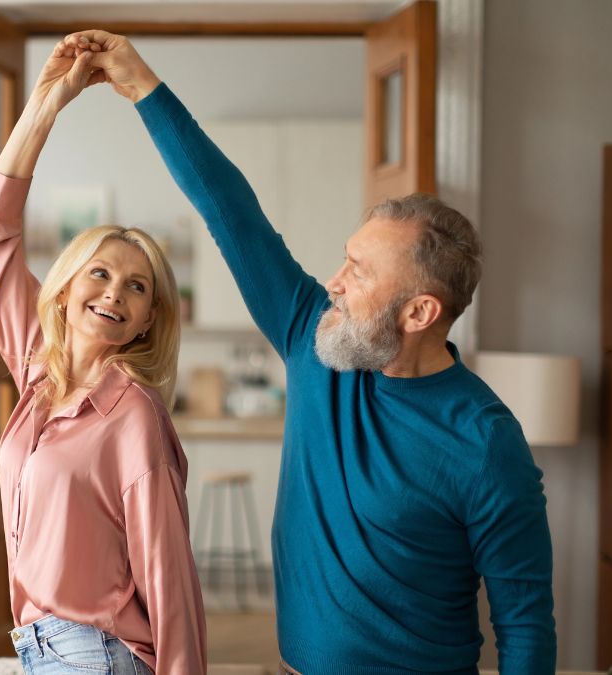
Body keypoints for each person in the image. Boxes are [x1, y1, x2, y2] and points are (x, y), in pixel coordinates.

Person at [63, 30, 556, 675]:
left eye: (359, 270)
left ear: (419, 312)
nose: (334, 281)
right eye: (344, 258)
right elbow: (230, 209)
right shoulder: (314, 339)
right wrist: (140, 86)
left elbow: (525, 625)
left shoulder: (487, 443)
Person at [0, 39, 207, 674]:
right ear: (66, 287)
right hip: (43, 650)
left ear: (150, 317)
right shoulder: (39, 366)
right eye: (100, 273)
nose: (114, 294)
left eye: (137, 287)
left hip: (96, 655)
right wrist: (46, 104)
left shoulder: (133, 416)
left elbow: (167, 571)